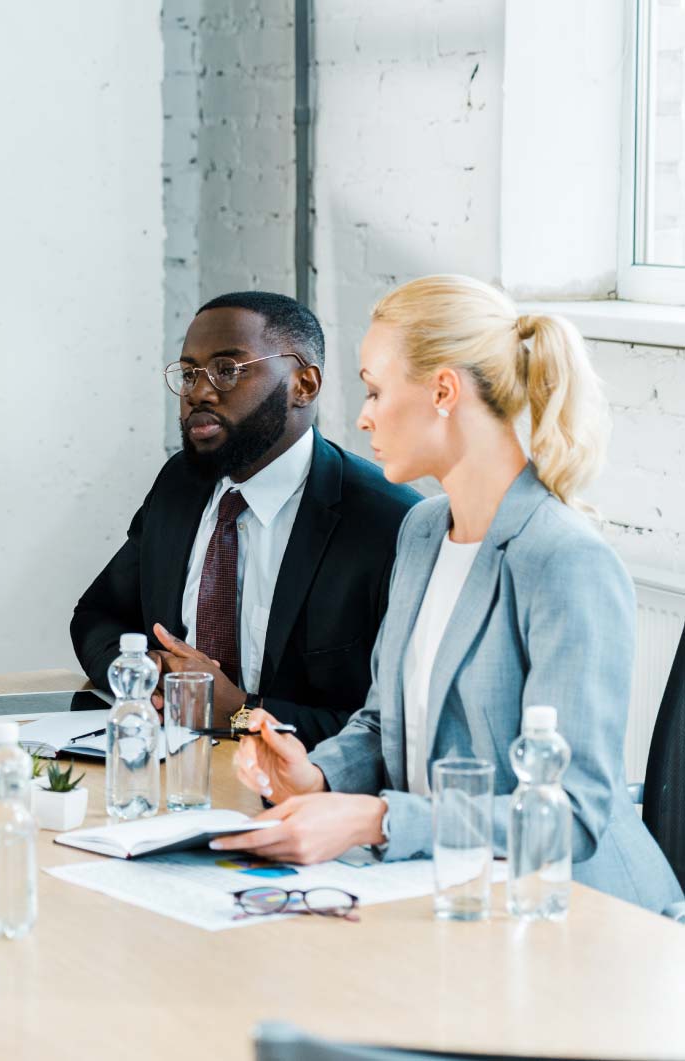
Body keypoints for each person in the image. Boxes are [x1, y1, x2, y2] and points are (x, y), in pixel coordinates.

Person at [216, 275, 684, 914]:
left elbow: (571, 815)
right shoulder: (423, 529)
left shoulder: (564, 559)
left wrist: (375, 819)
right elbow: (386, 721)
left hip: (583, 914)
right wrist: (317, 775)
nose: (362, 414)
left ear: (443, 391)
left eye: (376, 390)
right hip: (454, 891)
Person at [71, 292, 420, 749]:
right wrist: (149, 673)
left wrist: (241, 713)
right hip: (169, 770)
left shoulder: (389, 521)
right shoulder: (181, 485)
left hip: (302, 791)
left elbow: (394, 728)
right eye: (190, 373)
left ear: (304, 385)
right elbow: (97, 616)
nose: (198, 391)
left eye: (227, 370)